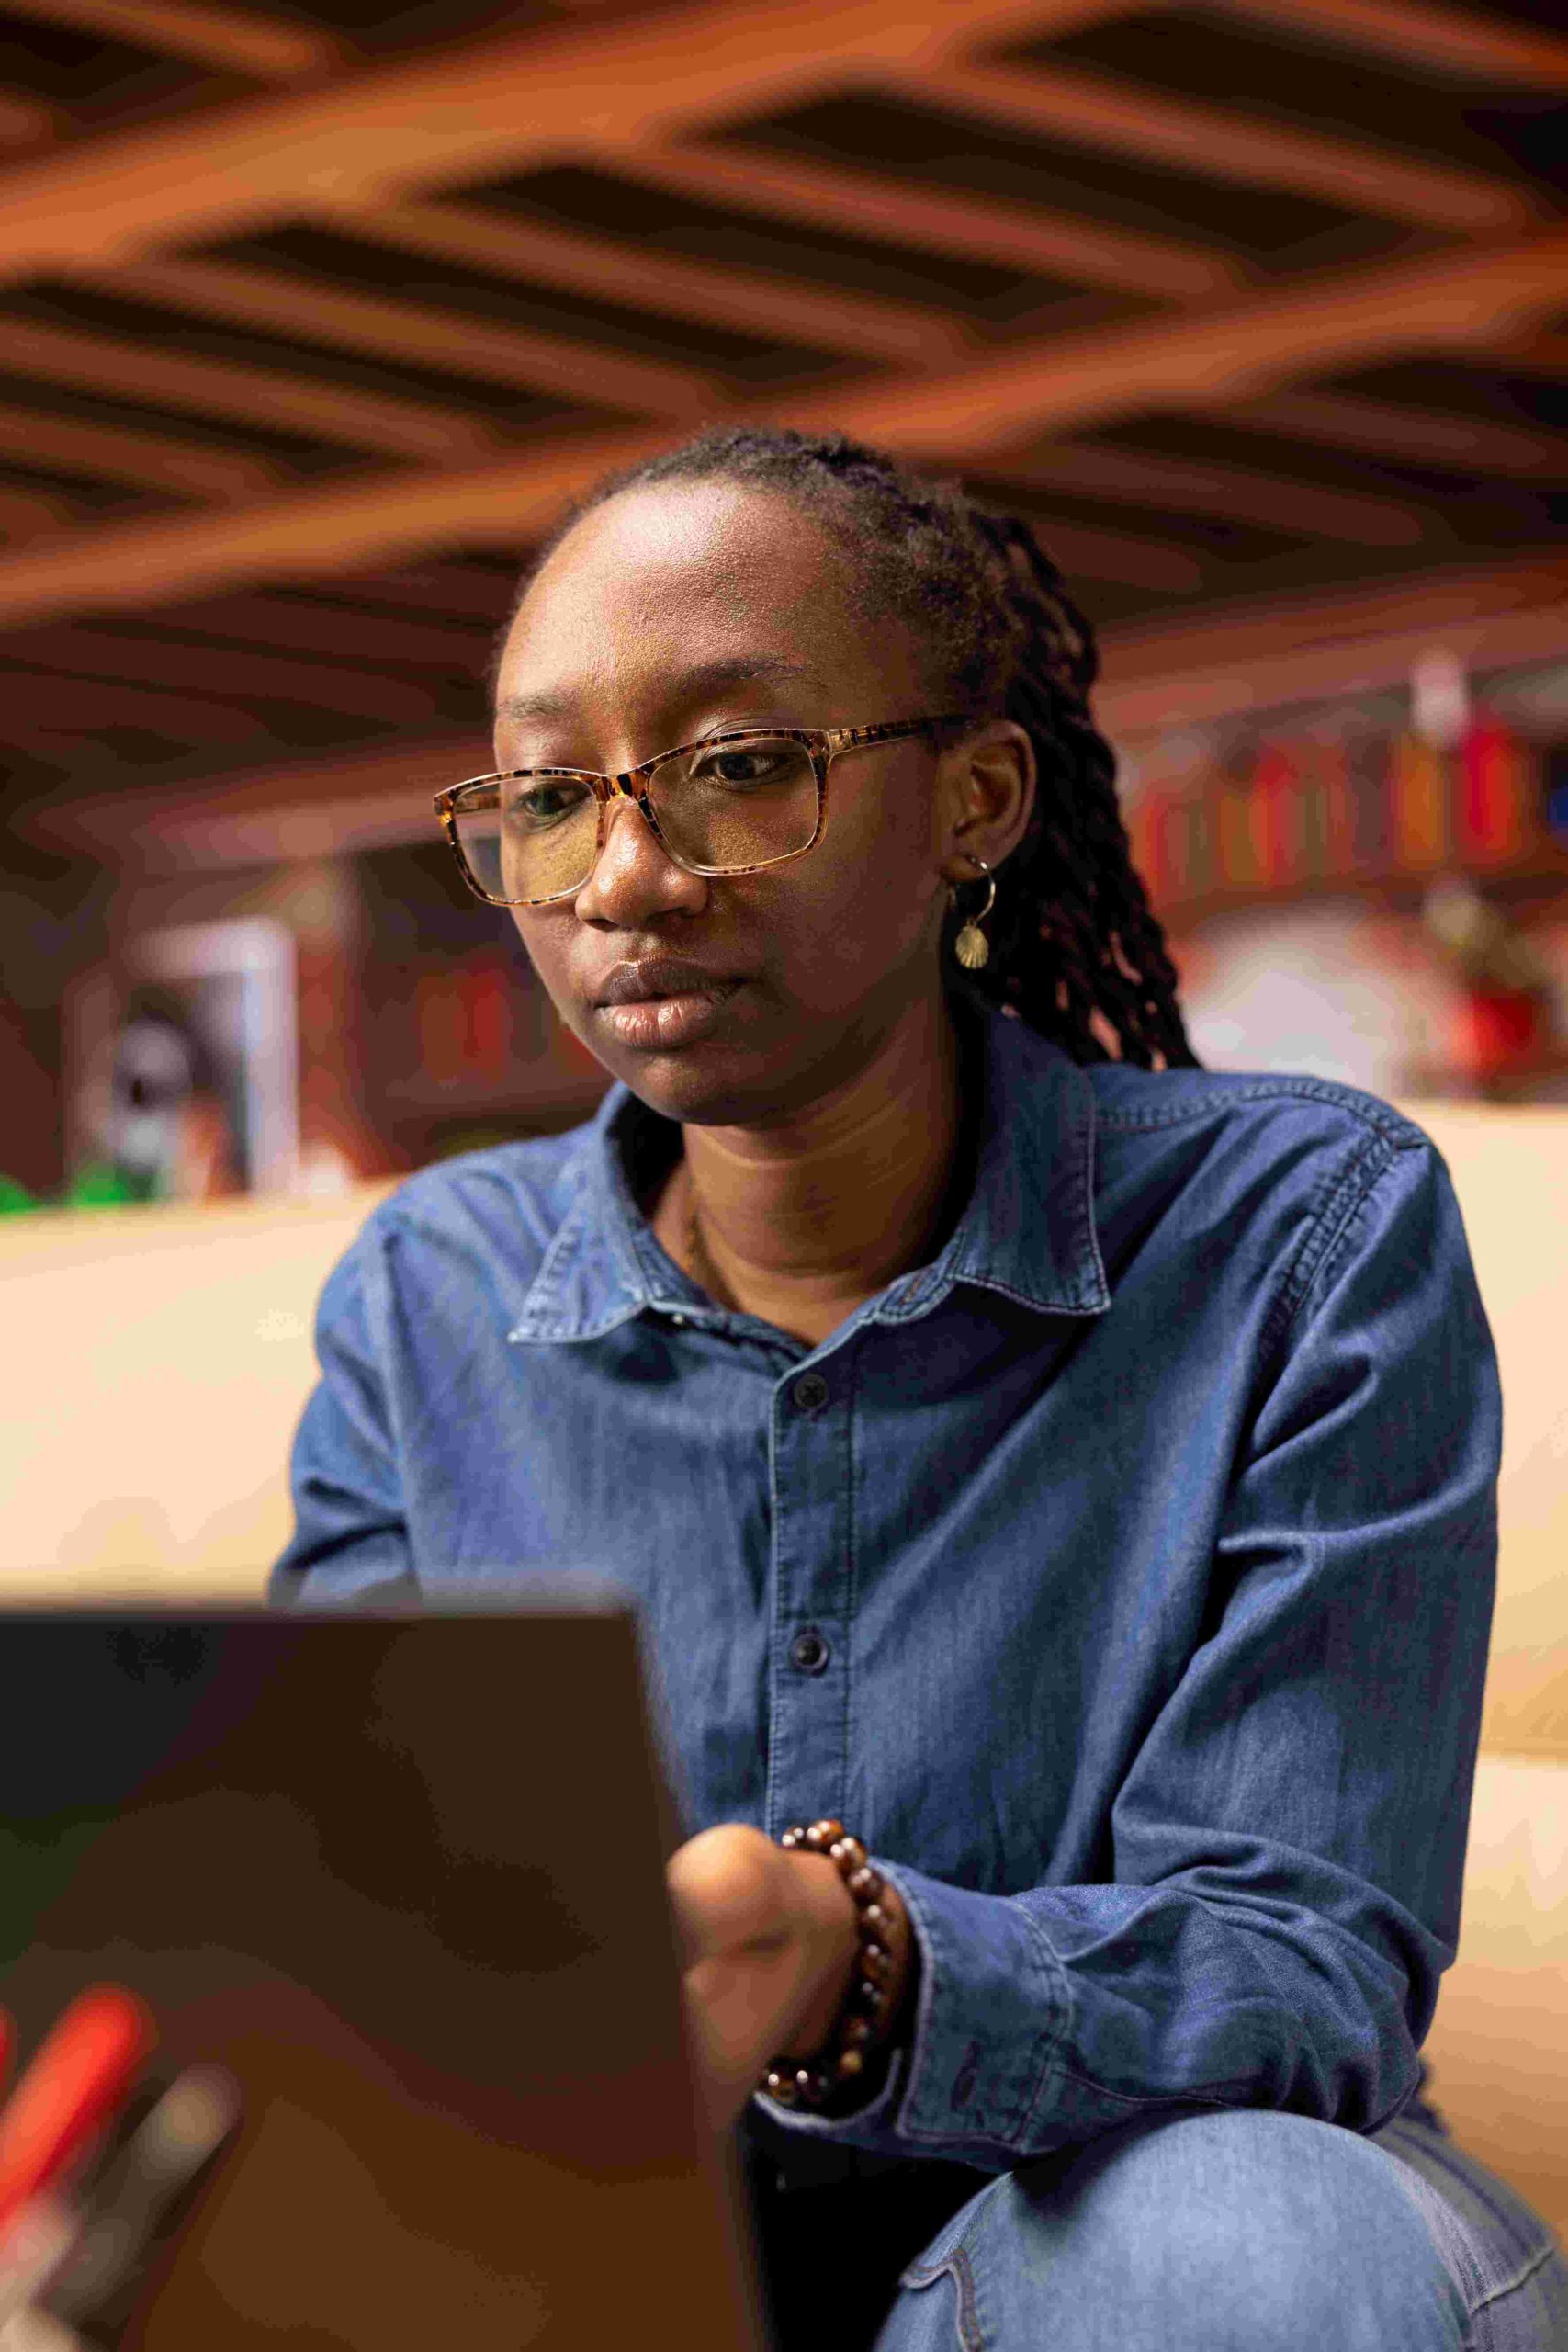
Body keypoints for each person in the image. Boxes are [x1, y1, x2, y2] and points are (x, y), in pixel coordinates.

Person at [271, 425, 1568, 2350]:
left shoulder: (1298, 1233)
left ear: (971, 797)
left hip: (1120, 2247)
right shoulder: (428, 1293)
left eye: (733, 770)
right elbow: (338, 1925)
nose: (622, 873)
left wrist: (847, 1960)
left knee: (1237, 2234)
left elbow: (1296, 1968)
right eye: (548, 797)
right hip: (612, 2280)